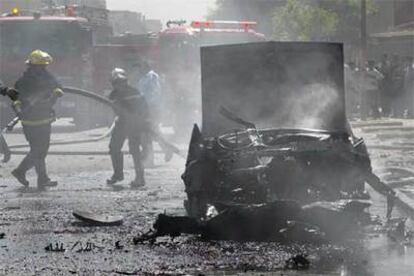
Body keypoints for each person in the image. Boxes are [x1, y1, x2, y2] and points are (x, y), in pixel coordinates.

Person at [11, 50, 64, 189]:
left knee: (42, 150)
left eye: (44, 66)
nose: (42, 68)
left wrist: (58, 90)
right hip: (31, 122)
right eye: (40, 66)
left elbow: (57, 83)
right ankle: (27, 173)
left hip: (45, 119)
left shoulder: (46, 76)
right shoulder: (23, 82)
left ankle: (32, 175)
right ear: (32, 66)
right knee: (38, 150)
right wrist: (19, 109)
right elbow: (16, 100)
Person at [107, 68, 149, 188]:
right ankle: (118, 174)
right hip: (121, 123)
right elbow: (114, 109)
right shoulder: (114, 94)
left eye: (121, 82)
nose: (119, 85)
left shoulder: (134, 92)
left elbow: (144, 108)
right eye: (116, 83)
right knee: (114, 147)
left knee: (135, 150)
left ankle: (140, 178)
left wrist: (143, 121)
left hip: (135, 124)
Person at [135, 61, 172, 166]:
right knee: (151, 131)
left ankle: (150, 158)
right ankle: (164, 150)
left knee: (148, 132)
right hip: (145, 109)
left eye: (140, 66)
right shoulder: (143, 78)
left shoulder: (152, 76)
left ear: (146, 66)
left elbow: (154, 93)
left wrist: (147, 106)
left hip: (151, 109)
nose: (139, 69)